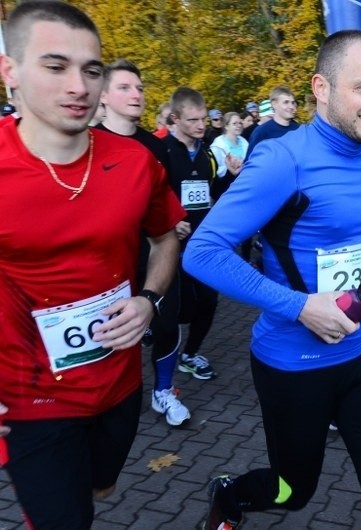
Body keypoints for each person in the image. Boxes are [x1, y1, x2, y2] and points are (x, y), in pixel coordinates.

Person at [183, 30, 361, 529]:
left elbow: (355, 239)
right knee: (292, 493)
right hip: (294, 365)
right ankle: (230, 498)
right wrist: (301, 307)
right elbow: (202, 252)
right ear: (321, 88)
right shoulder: (284, 159)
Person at [0, 2, 184, 528]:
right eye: (56, 67)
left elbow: (166, 238)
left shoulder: (133, 162)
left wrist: (149, 300)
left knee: (99, 484)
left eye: (92, 69)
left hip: (118, 381)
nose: (79, 86)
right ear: (10, 72)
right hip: (30, 400)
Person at [95, 58, 190, 426]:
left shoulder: (157, 146)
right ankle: (109, 402)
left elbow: (166, 200)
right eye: (124, 87)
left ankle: (163, 391)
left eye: (139, 87)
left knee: (167, 325)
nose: (136, 94)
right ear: (102, 96)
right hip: (111, 264)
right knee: (114, 335)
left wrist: (176, 223)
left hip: (157, 257)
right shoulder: (88, 142)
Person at [164, 87, 234, 381]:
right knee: (179, 310)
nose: (201, 125)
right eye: (193, 120)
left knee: (208, 302)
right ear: (175, 118)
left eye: (203, 119)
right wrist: (170, 221)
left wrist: (231, 175)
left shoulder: (207, 154)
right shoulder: (162, 152)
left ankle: (190, 354)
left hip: (202, 244)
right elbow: (149, 196)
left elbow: (212, 193)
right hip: (168, 245)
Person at [246, 85, 300, 156]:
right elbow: (250, 161)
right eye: (286, 102)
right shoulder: (261, 132)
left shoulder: (298, 130)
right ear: (274, 104)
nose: (291, 106)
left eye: (293, 103)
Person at [210, 111, 249, 178]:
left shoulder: (244, 142)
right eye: (234, 123)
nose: (239, 125)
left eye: (240, 123)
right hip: (225, 184)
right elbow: (216, 170)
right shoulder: (218, 145)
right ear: (226, 126)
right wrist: (229, 168)